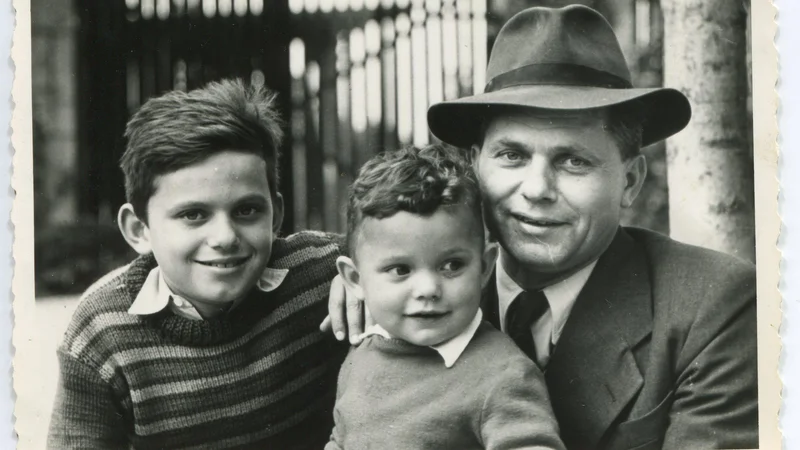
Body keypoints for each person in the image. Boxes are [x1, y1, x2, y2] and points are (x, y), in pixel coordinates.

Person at [325, 5, 758, 450]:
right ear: (475, 165)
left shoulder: (709, 307)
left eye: (574, 161)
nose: (537, 189)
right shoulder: (403, 290)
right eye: (512, 155)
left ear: (629, 181)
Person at [48, 79, 347, 449]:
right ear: (139, 229)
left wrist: (362, 277)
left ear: (275, 215)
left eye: (247, 210)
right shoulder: (102, 330)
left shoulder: (325, 270)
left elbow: (406, 260)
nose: (224, 237)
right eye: (193, 215)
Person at [326, 144, 565, 450]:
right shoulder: (363, 354)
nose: (428, 289)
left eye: (452, 265)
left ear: (484, 266)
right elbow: (342, 437)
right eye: (401, 269)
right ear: (355, 280)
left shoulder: (501, 374)